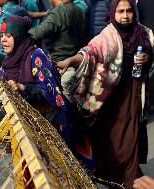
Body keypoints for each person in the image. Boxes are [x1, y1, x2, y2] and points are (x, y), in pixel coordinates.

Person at [55, 0, 154, 187]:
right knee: (109, 137)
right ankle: (112, 175)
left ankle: (129, 176)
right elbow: (91, 52)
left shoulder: (144, 34)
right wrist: (71, 61)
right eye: (120, 11)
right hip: (110, 97)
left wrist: (147, 58)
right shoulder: (108, 35)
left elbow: (151, 54)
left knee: (130, 137)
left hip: (132, 95)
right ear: (112, 13)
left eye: (129, 11)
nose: (125, 16)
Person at [0, 15, 95, 171]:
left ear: (20, 37)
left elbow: (52, 92)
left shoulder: (36, 56)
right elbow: (2, 90)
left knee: (64, 173)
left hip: (51, 124)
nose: (3, 40)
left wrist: (23, 88)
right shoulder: (6, 63)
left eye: (9, 36)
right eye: (2, 36)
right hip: (26, 129)